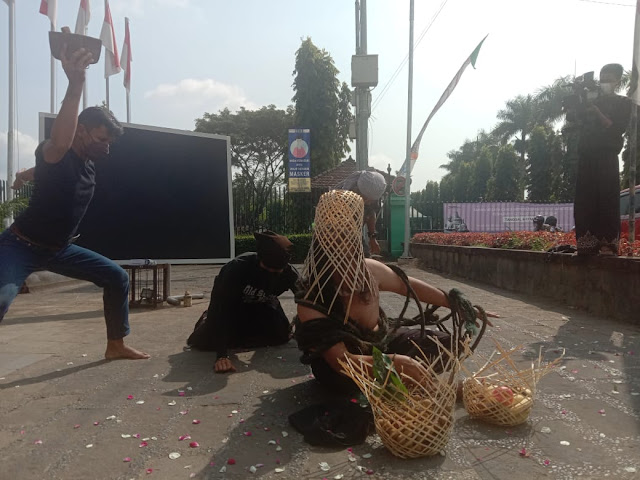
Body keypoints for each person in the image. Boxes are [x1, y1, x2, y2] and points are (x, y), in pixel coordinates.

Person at [0, 34, 149, 360]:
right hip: (18, 246)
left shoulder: (84, 165)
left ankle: (116, 345)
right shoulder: (58, 151)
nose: (105, 147)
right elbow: (59, 142)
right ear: (81, 130)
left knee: (116, 277)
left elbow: (47, 173)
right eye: (100, 138)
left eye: (109, 142)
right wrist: (76, 83)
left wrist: (26, 174)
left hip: (60, 250)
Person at [293, 190, 497, 394]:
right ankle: (428, 388)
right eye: (333, 232)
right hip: (343, 366)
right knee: (350, 386)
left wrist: (458, 306)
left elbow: (406, 285)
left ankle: (414, 381)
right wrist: (392, 363)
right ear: (321, 238)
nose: (340, 239)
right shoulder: (311, 294)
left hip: (378, 342)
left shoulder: (369, 269)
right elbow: (342, 362)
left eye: (346, 232)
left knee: (447, 345)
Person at [187, 231, 300, 373]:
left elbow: (308, 302)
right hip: (233, 309)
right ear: (260, 260)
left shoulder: (290, 273)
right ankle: (206, 319)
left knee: (280, 336)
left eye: (276, 271)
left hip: (264, 307)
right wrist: (222, 356)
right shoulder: (236, 268)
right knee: (206, 341)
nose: (270, 274)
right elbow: (220, 307)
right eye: (267, 269)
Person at [574, 63, 631, 256]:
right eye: (602, 78)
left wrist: (597, 110)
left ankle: (607, 244)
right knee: (584, 199)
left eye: (608, 79)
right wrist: (579, 99)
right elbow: (573, 120)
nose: (604, 82)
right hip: (587, 156)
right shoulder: (589, 100)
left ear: (617, 80)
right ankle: (586, 244)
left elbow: (616, 128)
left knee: (607, 198)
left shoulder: (623, 103)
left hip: (607, 156)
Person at [335, 170, 387, 256]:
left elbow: (371, 214)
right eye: (366, 198)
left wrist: (372, 238)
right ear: (356, 189)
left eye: (371, 200)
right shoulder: (339, 199)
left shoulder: (371, 198)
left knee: (364, 256)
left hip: (355, 236)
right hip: (333, 237)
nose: (369, 202)